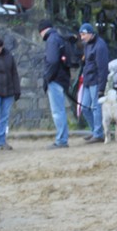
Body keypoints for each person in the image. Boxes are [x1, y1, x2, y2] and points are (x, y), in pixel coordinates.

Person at [40, 19, 71, 148]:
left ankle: (61, 140)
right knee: (60, 109)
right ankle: (62, 138)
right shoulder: (58, 38)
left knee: (57, 111)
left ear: (42, 31)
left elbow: (52, 61)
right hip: (62, 77)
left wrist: (47, 78)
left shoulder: (51, 40)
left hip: (55, 79)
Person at [79, 22, 109, 143]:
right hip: (87, 80)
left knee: (96, 107)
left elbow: (102, 68)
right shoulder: (87, 45)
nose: (82, 37)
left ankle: (98, 134)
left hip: (96, 80)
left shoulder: (100, 46)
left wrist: (102, 87)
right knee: (85, 108)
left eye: (84, 34)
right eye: (81, 35)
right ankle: (96, 131)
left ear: (90, 34)